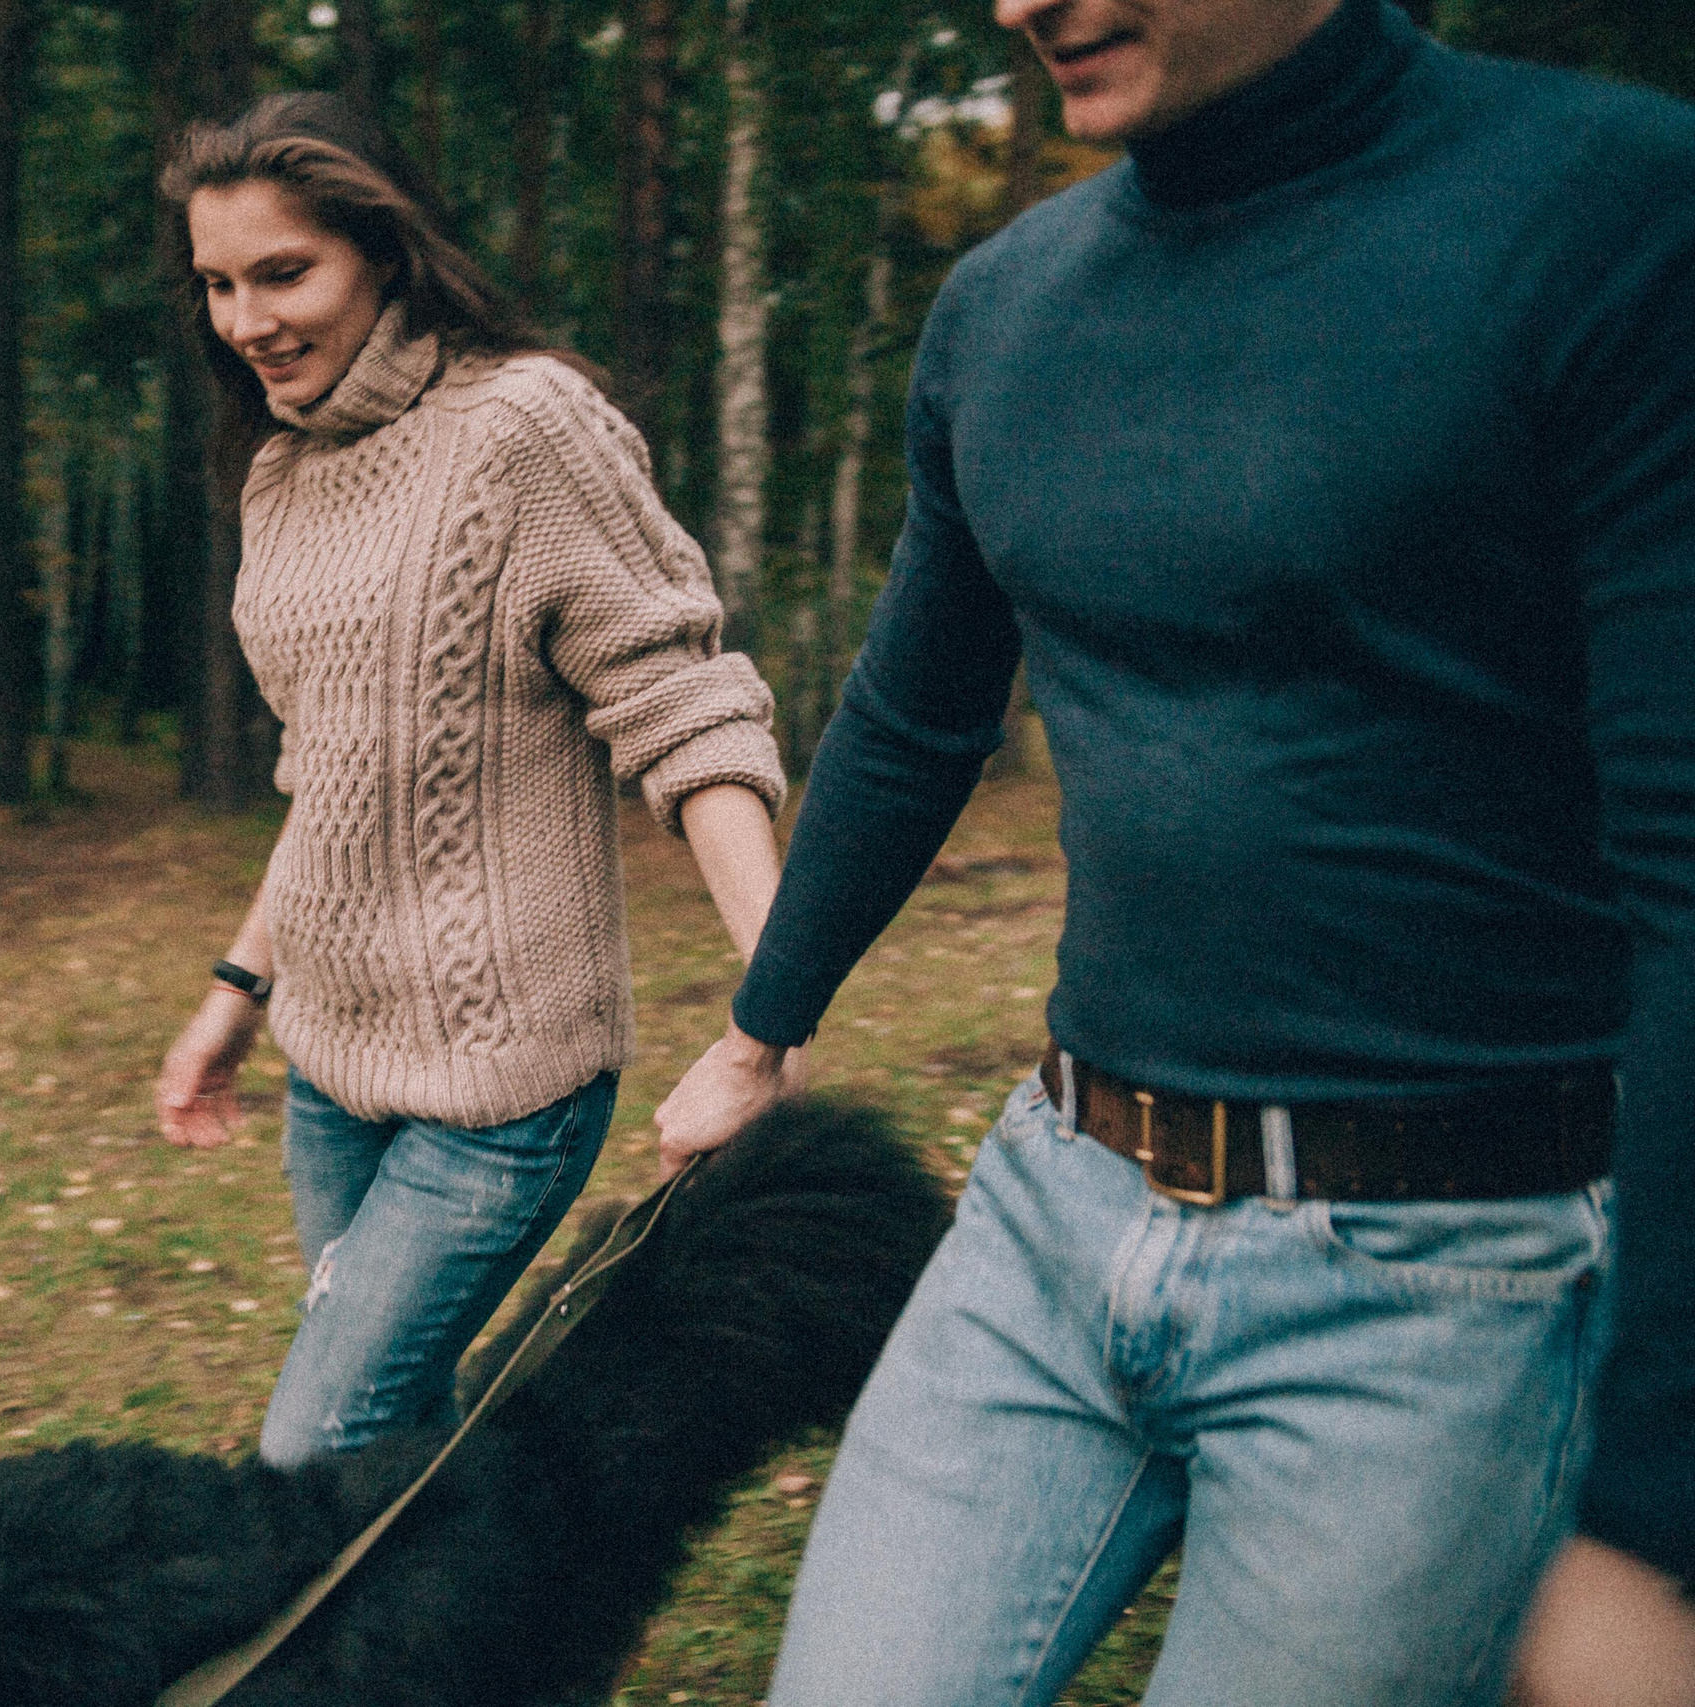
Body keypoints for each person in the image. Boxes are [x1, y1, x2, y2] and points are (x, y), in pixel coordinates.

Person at [652, 0, 1695, 1702]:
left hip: (1446, 1286)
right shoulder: (1004, 305)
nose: (1021, 5)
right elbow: (915, 713)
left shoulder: (1614, 215)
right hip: (1052, 1216)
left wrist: (1657, 1516)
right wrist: (763, 1029)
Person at [152, 93, 793, 1469]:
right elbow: (329, 779)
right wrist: (237, 990)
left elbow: (684, 705)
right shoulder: (281, 473)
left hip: (502, 1089)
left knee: (316, 1453)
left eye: (283, 273)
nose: (247, 320)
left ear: (385, 254)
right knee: (397, 1450)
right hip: (331, 1073)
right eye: (217, 284)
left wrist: (777, 1007)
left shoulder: (523, 427)